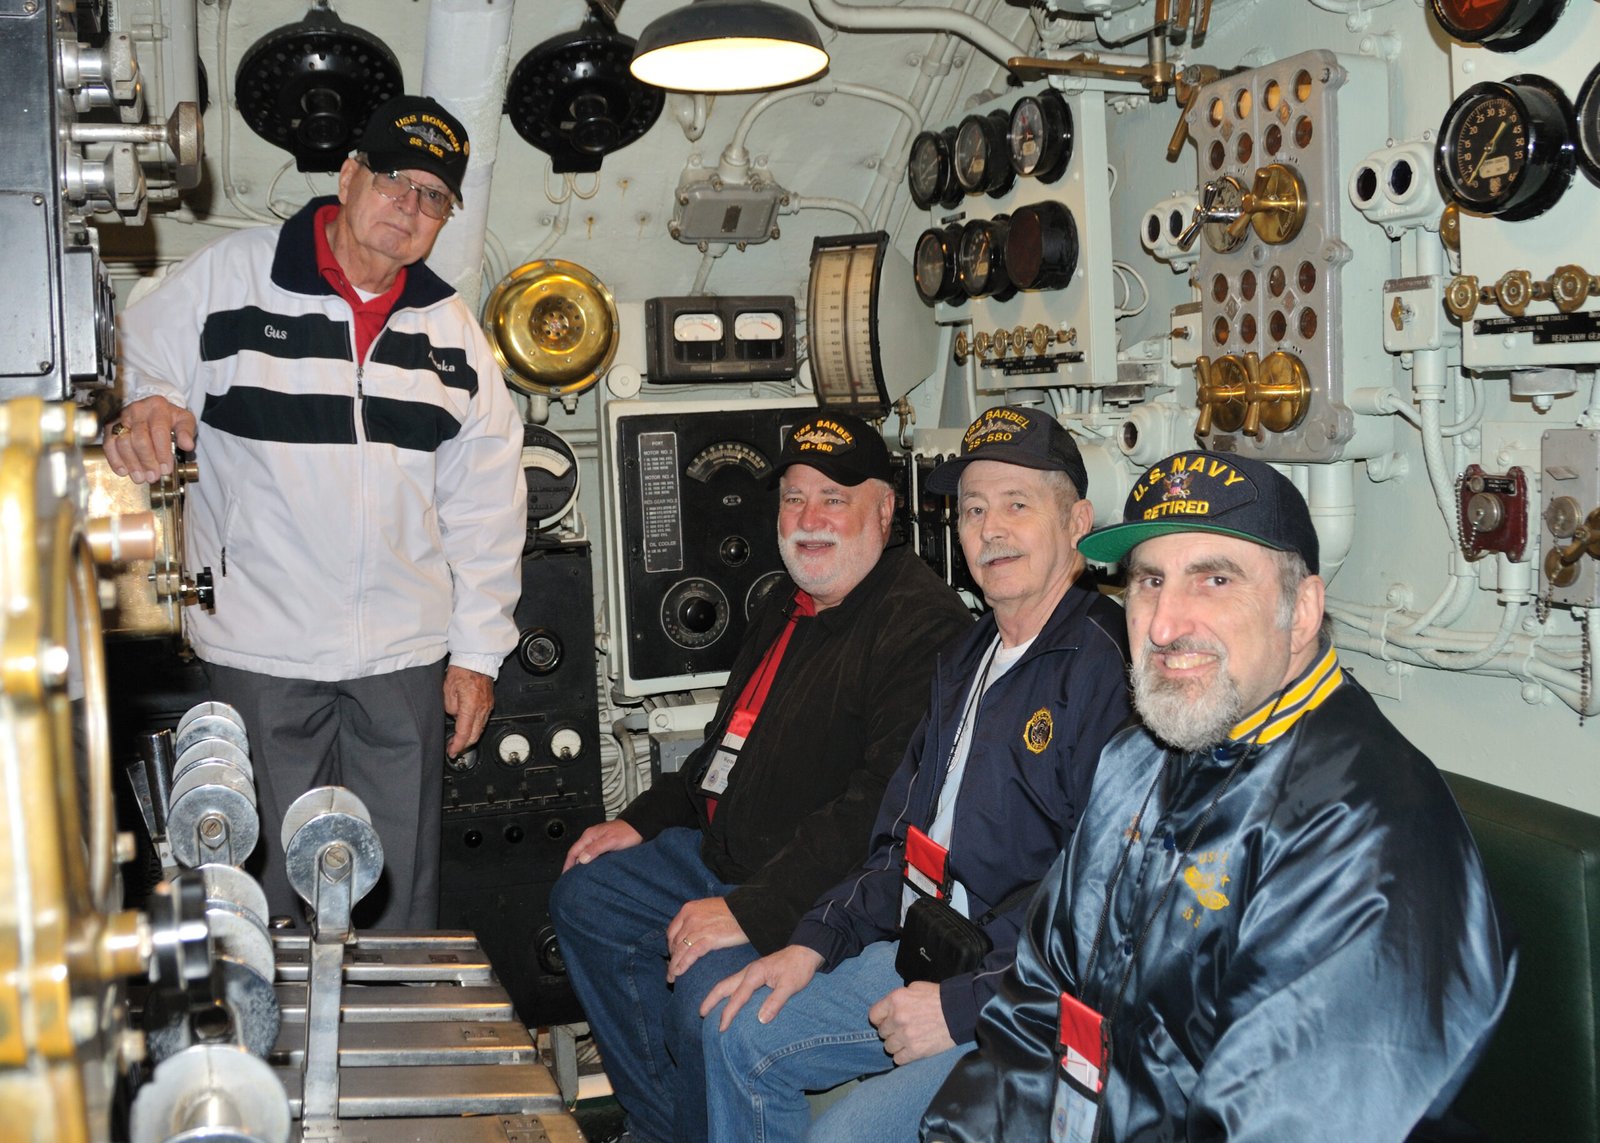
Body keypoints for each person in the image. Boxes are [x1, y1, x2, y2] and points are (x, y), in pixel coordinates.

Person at [922, 449, 1516, 1143]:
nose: (1164, 625)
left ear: (1301, 612)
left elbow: (1290, 1121)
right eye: (1150, 581)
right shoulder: (1138, 757)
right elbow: (1036, 1008)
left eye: (1214, 579)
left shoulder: (1369, 833)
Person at [104, 95, 527, 930]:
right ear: (349, 174)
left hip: (403, 658)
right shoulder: (232, 276)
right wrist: (144, 404)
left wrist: (478, 652)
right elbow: (135, 351)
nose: (409, 206)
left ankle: (391, 1011)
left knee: (394, 896)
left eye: (433, 195)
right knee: (262, 895)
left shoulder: (452, 333)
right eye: (394, 179)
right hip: (261, 646)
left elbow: (486, 503)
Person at [700, 405, 1132, 1143]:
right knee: (739, 1032)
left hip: (1025, 995)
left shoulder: (1104, 672)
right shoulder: (965, 658)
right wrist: (814, 940)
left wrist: (961, 1007)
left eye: (1017, 505)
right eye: (973, 509)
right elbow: (898, 838)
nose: (990, 530)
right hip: (929, 945)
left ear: (1077, 523)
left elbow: (1102, 908)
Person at [549, 412, 972, 1143]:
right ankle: (664, 1128)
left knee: (709, 1001)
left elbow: (877, 812)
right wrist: (642, 819)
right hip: (724, 857)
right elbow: (724, 747)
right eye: (794, 498)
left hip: (815, 889)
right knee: (589, 895)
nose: (809, 519)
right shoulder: (788, 602)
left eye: (833, 499)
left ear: (884, 510)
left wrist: (754, 912)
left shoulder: (918, 625)